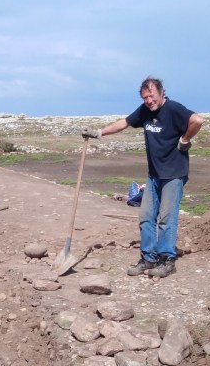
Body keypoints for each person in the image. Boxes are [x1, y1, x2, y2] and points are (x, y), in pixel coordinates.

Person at [82, 77, 203, 278]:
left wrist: (185, 139)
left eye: (152, 96)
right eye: (145, 97)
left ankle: (167, 260)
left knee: (166, 218)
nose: (149, 100)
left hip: (173, 174)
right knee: (146, 216)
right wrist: (98, 133)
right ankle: (148, 258)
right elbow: (124, 123)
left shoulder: (174, 109)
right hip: (154, 175)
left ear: (161, 93)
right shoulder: (145, 111)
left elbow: (197, 120)